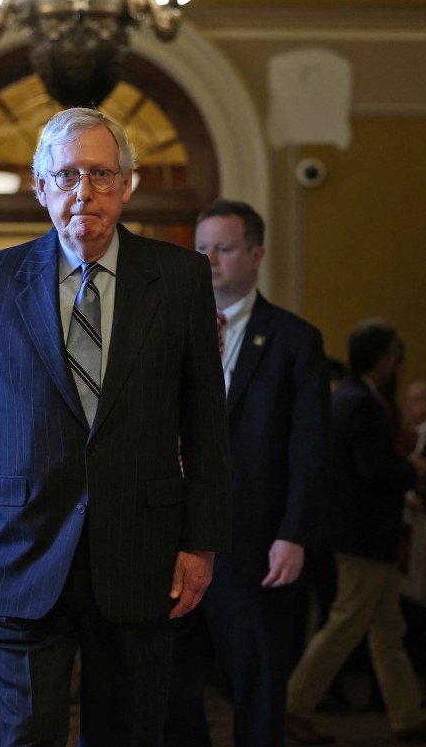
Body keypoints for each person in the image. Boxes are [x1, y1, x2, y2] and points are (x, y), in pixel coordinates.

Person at [0, 107, 230, 747]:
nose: (83, 192)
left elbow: (206, 427)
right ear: (41, 188)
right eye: (66, 176)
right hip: (20, 551)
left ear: (127, 185)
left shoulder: (180, 278)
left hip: (141, 557)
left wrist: (201, 543)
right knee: (28, 736)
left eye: (100, 174)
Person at [164, 199, 330, 747]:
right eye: (201, 247)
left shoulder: (294, 340)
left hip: (256, 545)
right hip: (173, 542)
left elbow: (308, 450)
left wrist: (294, 534)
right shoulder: (163, 333)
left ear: (256, 255)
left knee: (257, 691)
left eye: (224, 248)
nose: (209, 259)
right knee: (172, 690)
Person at [286, 320, 426, 743]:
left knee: (386, 630)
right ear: (385, 360)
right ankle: (291, 705)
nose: (399, 364)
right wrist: (412, 470)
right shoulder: (362, 403)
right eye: (396, 356)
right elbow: (372, 469)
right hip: (364, 534)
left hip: (358, 532)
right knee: (346, 624)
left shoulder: (350, 397)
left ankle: (408, 713)